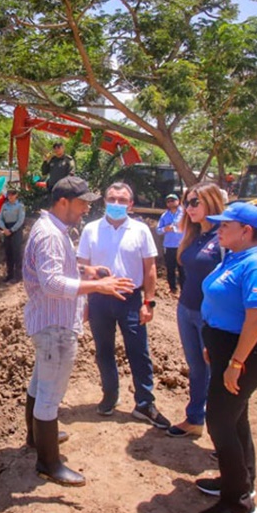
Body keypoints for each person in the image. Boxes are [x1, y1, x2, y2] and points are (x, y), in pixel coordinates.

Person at [23, 176, 135, 486]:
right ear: (62, 202)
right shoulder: (49, 235)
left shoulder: (53, 230)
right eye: (82, 202)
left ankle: (36, 437)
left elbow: (60, 269)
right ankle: (48, 463)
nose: (87, 208)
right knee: (50, 395)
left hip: (47, 321)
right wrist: (99, 285)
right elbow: (53, 283)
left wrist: (86, 270)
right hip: (54, 325)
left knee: (39, 383)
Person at [195, 202, 257, 513]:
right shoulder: (235, 255)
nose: (218, 230)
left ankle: (238, 503)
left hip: (244, 355)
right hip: (225, 348)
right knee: (235, 416)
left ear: (246, 232)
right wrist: (213, 348)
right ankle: (242, 479)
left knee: (219, 421)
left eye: (225, 226)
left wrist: (235, 362)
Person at [77, 182, 171, 428]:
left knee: (138, 351)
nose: (116, 204)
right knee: (103, 350)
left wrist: (148, 302)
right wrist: (85, 301)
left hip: (130, 299)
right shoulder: (91, 229)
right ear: (104, 201)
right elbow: (82, 267)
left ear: (130, 204)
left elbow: (150, 268)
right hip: (98, 298)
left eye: (122, 200)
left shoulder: (140, 230)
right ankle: (110, 396)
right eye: (112, 198)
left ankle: (144, 402)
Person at [166, 183, 226, 438]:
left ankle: (223, 433)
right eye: (186, 202)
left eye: (194, 202)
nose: (187, 208)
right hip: (186, 310)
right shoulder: (192, 235)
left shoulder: (223, 237)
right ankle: (194, 419)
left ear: (211, 202)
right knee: (197, 368)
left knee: (217, 373)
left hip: (210, 316)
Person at [156, 193, 185, 294]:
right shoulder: (164, 215)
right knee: (170, 268)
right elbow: (158, 230)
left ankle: (184, 290)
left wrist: (176, 228)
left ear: (178, 201)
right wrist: (165, 228)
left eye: (173, 200)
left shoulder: (185, 213)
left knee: (183, 269)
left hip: (182, 245)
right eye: (168, 201)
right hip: (169, 246)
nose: (170, 203)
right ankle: (172, 289)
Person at [0, 188, 26, 283]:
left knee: (17, 253)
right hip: (6, 229)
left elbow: (20, 220)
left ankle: (18, 276)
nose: (10, 196)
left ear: (16, 195)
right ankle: (9, 274)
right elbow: (0, 217)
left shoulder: (19, 206)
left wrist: (12, 230)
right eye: (9, 195)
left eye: (12, 194)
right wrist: (4, 228)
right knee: (8, 252)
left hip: (16, 230)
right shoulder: (5, 206)